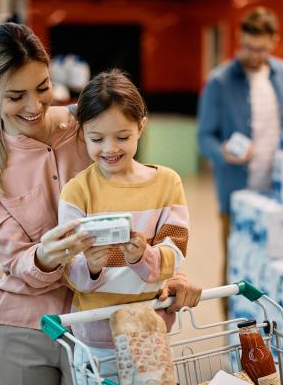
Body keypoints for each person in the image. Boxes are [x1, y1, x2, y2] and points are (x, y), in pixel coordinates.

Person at [0, 23, 202, 385]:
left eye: (42, 88)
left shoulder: (84, 126)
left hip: (103, 324)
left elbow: (144, 205)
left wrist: (171, 273)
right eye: (15, 96)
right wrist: (45, 256)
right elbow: (14, 259)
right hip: (25, 328)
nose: (34, 106)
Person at [58, 70, 189, 383]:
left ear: (141, 126)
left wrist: (141, 257)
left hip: (149, 329)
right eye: (97, 138)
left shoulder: (167, 183)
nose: (110, 148)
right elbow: (68, 266)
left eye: (122, 137)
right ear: (81, 132)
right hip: (94, 338)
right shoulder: (77, 191)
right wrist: (89, 266)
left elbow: (175, 254)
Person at [197, 7, 283, 291]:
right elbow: (204, 137)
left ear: (274, 41)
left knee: (274, 264)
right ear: (239, 38)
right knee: (235, 267)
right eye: (248, 47)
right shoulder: (219, 81)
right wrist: (223, 152)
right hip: (237, 195)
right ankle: (231, 332)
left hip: (280, 193)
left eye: (261, 48)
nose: (254, 55)